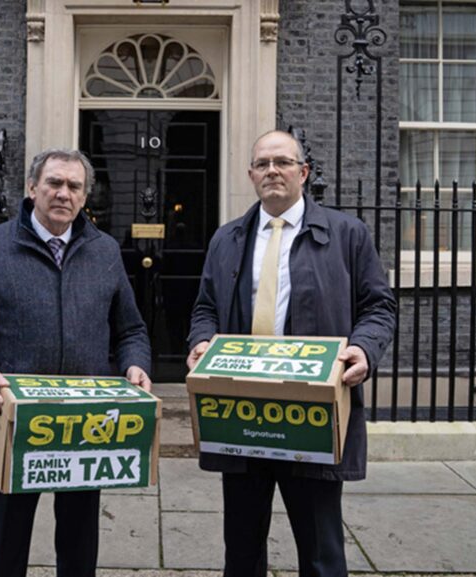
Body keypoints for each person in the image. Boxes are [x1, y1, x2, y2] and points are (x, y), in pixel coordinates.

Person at [186, 130, 395, 577]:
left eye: (282, 162)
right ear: (250, 175)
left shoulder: (346, 234)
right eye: (262, 164)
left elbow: (378, 306)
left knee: (321, 551)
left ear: (303, 172)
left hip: (311, 412)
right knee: (241, 550)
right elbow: (205, 307)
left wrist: (363, 349)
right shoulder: (228, 238)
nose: (272, 171)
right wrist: (201, 341)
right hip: (242, 411)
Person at [0, 148, 152, 577]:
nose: (63, 193)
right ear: (32, 188)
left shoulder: (105, 251)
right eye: (54, 183)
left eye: (74, 186)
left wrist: (135, 365)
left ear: (85, 195)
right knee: (3, 553)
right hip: (14, 424)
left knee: (78, 554)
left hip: (85, 428)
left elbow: (130, 330)